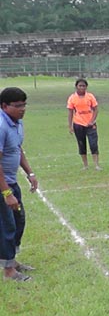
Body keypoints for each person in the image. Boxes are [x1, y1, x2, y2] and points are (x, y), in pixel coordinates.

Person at [0, 88, 38, 282]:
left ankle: (11, 261)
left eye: (24, 104)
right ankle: (8, 271)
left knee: (18, 221)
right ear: (4, 106)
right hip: (2, 185)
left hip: (11, 181)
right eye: (18, 106)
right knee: (7, 225)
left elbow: (17, 148)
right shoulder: (1, 125)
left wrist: (29, 172)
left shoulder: (17, 123)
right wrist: (6, 192)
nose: (23, 109)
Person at [68, 78, 102, 169]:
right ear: (76, 87)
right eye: (80, 86)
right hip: (78, 124)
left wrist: (92, 121)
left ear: (86, 87)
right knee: (81, 144)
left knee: (93, 144)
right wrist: (70, 126)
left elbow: (95, 109)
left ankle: (96, 165)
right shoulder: (72, 98)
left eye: (84, 86)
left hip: (90, 125)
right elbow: (70, 112)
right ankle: (85, 165)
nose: (82, 87)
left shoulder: (90, 96)